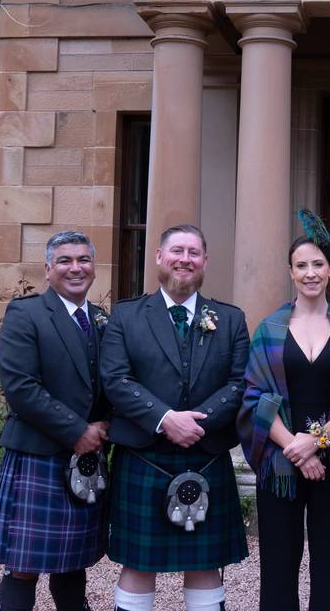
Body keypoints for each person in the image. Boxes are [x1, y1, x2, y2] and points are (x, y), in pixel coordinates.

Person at [101, 224, 250, 611]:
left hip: (207, 454)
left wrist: (196, 422)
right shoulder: (126, 316)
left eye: (193, 253)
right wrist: (166, 419)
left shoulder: (230, 319)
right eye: (177, 251)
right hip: (145, 456)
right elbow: (116, 380)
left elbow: (240, 383)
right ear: (159, 257)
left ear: (205, 261)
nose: (185, 260)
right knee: (138, 562)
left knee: (204, 563)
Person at [237, 212, 330, 611]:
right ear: (291, 272)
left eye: (317, 265)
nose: (310, 273)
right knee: (278, 565)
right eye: (301, 266)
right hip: (280, 462)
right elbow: (254, 395)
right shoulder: (269, 328)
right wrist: (296, 447)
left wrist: (318, 442)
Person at [0, 230, 110, 611]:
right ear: (48, 269)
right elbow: (21, 388)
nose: (76, 268)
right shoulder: (27, 313)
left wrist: (106, 425)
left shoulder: (103, 319)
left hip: (87, 459)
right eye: (65, 261)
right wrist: (78, 432)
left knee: (73, 564)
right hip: (40, 453)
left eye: (83, 260)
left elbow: (116, 382)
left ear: (93, 266)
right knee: (23, 566)